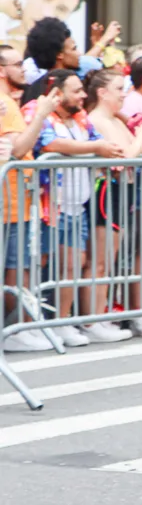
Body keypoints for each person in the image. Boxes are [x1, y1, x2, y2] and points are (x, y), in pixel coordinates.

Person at [30, 69, 124, 347]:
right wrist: (95, 148)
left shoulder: (81, 118)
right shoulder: (38, 112)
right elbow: (49, 143)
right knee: (43, 266)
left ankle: (63, 322)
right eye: (77, 90)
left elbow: (102, 144)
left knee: (72, 266)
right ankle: (38, 324)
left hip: (77, 205)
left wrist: (98, 147)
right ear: (57, 93)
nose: (83, 95)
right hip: (49, 207)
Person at [83, 69, 142, 342]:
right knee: (100, 260)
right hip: (107, 191)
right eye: (119, 89)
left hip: (122, 190)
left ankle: (102, 315)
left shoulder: (113, 119)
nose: (124, 94)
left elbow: (134, 150)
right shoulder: (98, 120)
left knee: (110, 260)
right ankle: (92, 320)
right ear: (102, 93)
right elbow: (127, 155)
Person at [0, 46, 60, 351]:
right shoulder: (4, 103)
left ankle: (19, 326)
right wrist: (41, 114)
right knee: (14, 267)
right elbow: (19, 148)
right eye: (17, 64)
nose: (24, 69)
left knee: (19, 266)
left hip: (16, 199)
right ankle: (15, 329)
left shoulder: (9, 101)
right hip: (8, 201)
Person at [20, 17, 81, 106]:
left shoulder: (31, 91)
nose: (79, 54)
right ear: (59, 54)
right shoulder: (76, 86)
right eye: (74, 49)